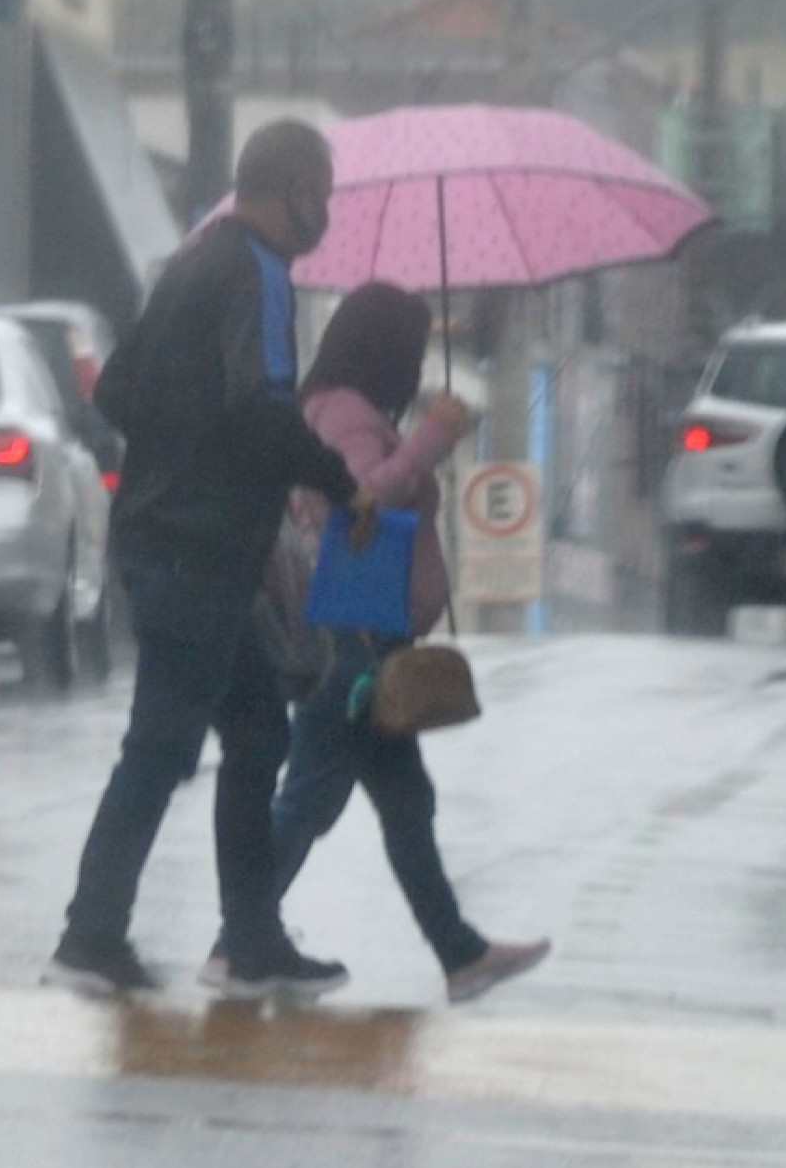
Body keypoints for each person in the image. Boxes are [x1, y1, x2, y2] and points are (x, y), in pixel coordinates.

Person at [47, 120, 376, 999]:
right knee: (159, 746)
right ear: (294, 185)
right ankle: (91, 937)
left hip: (167, 538)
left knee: (257, 728)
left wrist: (183, 449)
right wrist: (338, 483)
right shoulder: (256, 274)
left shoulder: (194, 261)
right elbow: (257, 410)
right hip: (198, 549)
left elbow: (118, 390)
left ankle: (250, 941)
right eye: (324, 194)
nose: (327, 214)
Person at [201, 284, 552, 1004]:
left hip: (361, 629)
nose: (417, 360)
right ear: (384, 349)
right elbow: (356, 499)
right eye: (412, 346)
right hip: (353, 635)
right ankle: (238, 945)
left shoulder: (331, 409)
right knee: (307, 800)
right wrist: (431, 439)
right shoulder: (348, 416)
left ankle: (459, 954)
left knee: (403, 803)